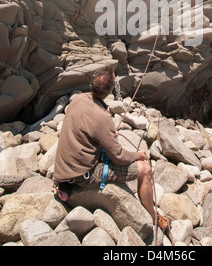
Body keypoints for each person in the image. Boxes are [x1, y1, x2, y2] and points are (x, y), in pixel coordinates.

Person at [53, 66, 167, 229]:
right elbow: (119, 157)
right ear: (110, 90)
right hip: (84, 175)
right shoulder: (102, 118)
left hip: (63, 169)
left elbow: (86, 130)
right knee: (145, 170)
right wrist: (138, 155)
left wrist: (105, 135)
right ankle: (152, 216)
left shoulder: (79, 99)